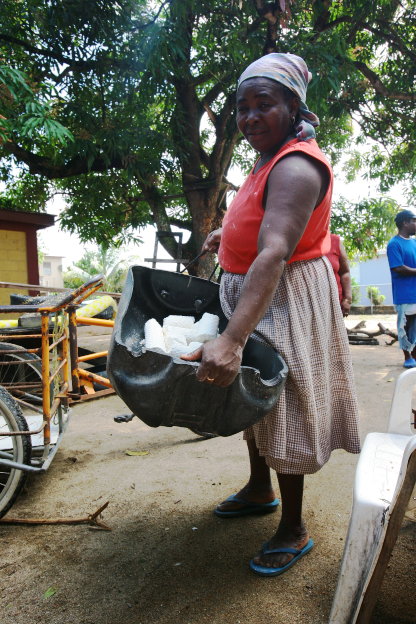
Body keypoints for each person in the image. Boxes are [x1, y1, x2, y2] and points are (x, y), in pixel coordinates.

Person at [182, 52, 361, 577]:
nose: (251, 117)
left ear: (292, 106)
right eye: (242, 108)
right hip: (254, 291)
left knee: (281, 401)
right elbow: (256, 226)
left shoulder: (298, 164)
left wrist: (232, 340)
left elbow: (276, 250)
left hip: (283, 295)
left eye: (265, 104)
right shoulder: (265, 160)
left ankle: (294, 528)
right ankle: (261, 490)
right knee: (250, 396)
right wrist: (224, 236)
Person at [386, 209, 416, 368]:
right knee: (405, 326)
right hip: (405, 294)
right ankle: (407, 357)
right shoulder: (394, 244)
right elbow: (398, 268)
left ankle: (415, 356)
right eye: (414, 220)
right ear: (405, 222)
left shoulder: (414, 242)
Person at [326, 233, 353, 317]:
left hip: (335, 304)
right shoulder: (296, 239)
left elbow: (345, 273)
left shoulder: (334, 241)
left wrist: (347, 299)